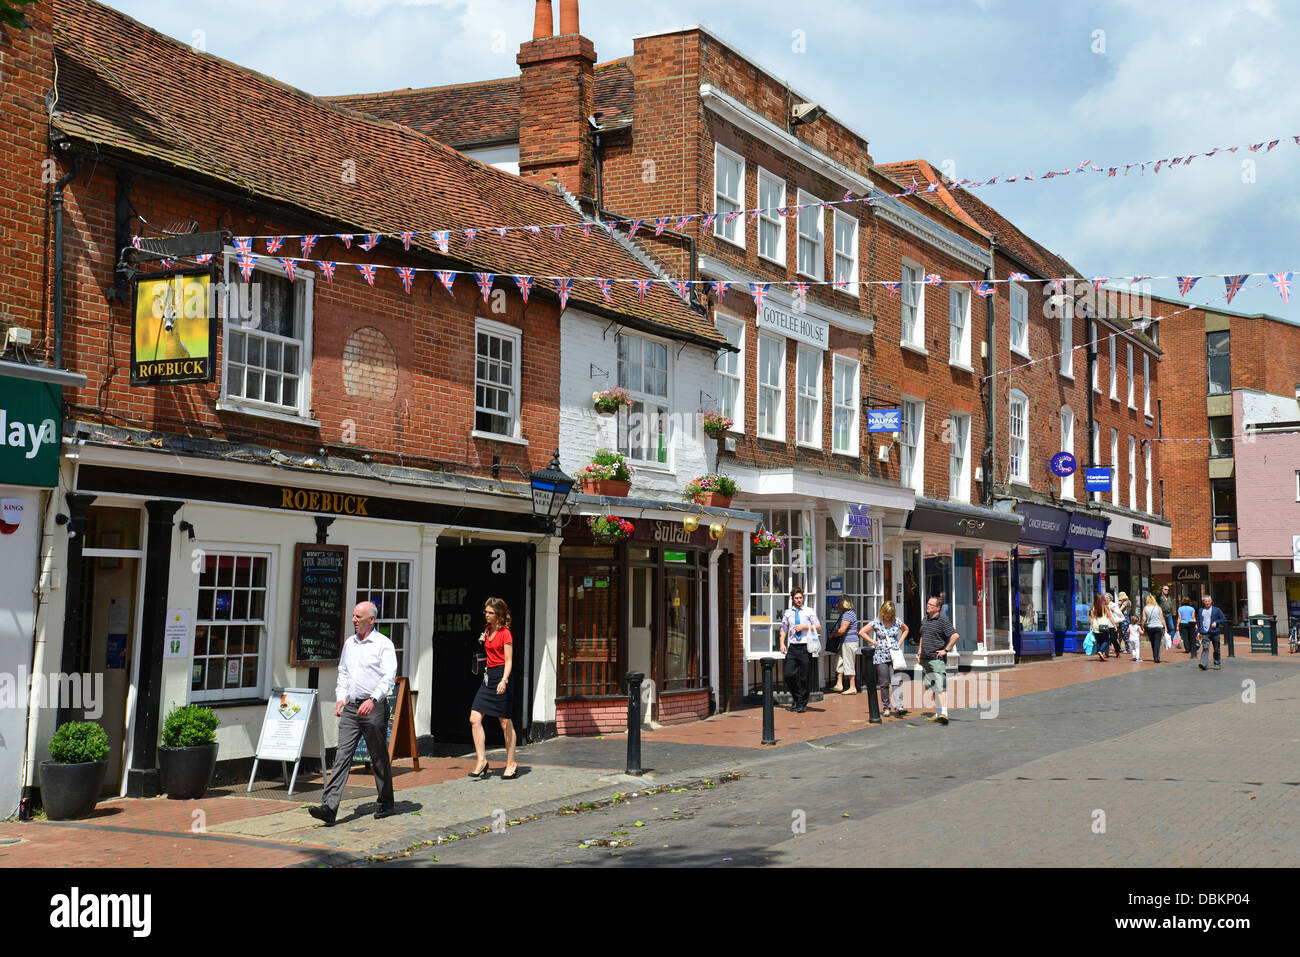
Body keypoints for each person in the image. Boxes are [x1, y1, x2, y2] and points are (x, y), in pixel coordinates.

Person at [310, 602, 397, 825]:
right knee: (342, 756)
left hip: (373, 706)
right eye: (353, 616)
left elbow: (388, 677)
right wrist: (341, 697)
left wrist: (373, 699)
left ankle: (386, 801)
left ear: (371, 619)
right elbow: (344, 673)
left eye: (358, 616)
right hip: (350, 707)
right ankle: (329, 807)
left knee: (378, 756)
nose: (354, 620)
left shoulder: (383, 644)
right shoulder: (350, 643)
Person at [469, 597, 518, 779]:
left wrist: (504, 680)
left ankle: (511, 762)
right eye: (486, 612)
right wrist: (482, 641)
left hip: (501, 676)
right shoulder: (488, 629)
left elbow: (509, 660)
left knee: (504, 722)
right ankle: (481, 761)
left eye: (490, 612)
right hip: (488, 677)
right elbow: (490, 651)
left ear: (498, 615)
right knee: (474, 718)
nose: (486, 615)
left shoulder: (506, 633)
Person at [860, 601, 909, 717]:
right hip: (881, 655)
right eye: (887, 613)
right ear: (883, 611)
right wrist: (874, 642)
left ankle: (898, 706)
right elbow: (862, 632)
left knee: (896, 681)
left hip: (894, 655)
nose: (889, 616)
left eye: (891, 613)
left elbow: (906, 629)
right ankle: (886, 707)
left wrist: (899, 642)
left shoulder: (897, 621)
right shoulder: (877, 622)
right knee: (884, 683)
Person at [779, 587, 821, 713]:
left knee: (804, 677)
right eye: (796, 598)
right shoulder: (788, 613)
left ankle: (802, 703)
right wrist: (782, 643)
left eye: (800, 598)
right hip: (792, 647)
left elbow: (818, 627)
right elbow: (783, 628)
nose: (799, 600)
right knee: (788, 675)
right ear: (792, 599)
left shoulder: (809, 611)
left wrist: (804, 626)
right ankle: (797, 698)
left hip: (804, 647)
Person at [918, 595, 958, 724]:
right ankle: (939, 712)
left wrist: (945, 650)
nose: (928, 606)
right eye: (927, 603)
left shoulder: (943, 621)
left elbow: (955, 636)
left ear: (938, 608)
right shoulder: (925, 619)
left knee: (941, 686)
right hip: (925, 658)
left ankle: (944, 713)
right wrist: (919, 653)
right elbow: (922, 637)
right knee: (934, 687)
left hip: (936, 659)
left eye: (931, 605)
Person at [829, 598, 859, 694]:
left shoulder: (847, 614)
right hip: (845, 642)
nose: (838, 604)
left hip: (849, 642)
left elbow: (842, 630)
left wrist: (833, 634)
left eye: (839, 603)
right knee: (839, 662)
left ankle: (852, 687)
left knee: (849, 663)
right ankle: (839, 684)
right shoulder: (847, 613)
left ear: (844, 604)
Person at [1196, 593, 1228, 671]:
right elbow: (1199, 622)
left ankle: (1217, 664)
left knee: (1216, 649)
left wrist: (1216, 622)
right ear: (1203, 602)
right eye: (1206, 601)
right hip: (1205, 632)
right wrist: (1199, 632)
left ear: (1211, 601)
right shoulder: (1200, 610)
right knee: (1205, 648)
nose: (1207, 603)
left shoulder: (1217, 610)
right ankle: (1203, 663)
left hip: (1215, 632)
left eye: (1209, 601)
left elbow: (1224, 619)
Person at [1141, 593, 1165, 663]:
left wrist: (1142, 626)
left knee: (1153, 643)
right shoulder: (1158, 607)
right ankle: (1157, 657)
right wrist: (1165, 627)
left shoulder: (1145, 608)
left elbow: (1144, 619)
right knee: (1157, 643)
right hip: (1159, 627)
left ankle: (1155, 656)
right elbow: (1162, 618)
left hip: (1150, 627)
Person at [1089, 594, 1114, 661]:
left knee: (1098, 641)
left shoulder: (1093, 607)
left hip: (1096, 627)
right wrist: (1114, 625)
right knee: (1106, 641)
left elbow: (1092, 618)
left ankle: (1100, 654)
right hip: (1104, 626)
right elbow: (1110, 616)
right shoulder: (1105, 606)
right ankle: (1100, 651)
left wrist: (1091, 626)